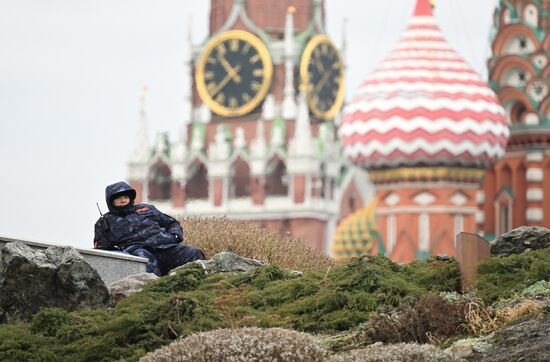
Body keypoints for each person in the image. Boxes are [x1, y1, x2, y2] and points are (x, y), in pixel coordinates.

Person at [93, 181, 205, 276]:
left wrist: (174, 236)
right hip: (138, 252)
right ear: (111, 201)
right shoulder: (104, 223)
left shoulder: (146, 209)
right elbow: (103, 253)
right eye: (118, 198)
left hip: (164, 246)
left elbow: (171, 223)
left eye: (125, 197)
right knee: (145, 264)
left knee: (193, 253)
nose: (123, 200)